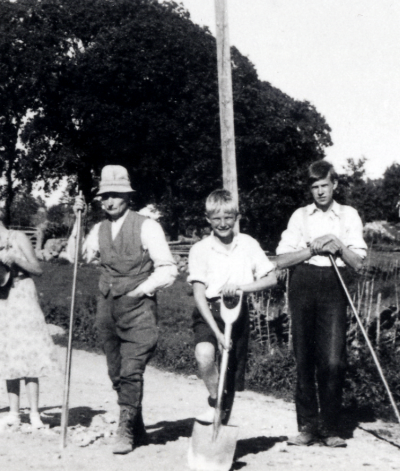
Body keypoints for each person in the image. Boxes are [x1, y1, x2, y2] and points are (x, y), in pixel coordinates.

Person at [73, 165, 178, 454]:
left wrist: (140, 290)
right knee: (116, 371)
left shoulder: (146, 226)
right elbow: (75, 257)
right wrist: (77, 221)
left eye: (115, 195)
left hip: (139, 307)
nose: (109, 201)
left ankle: (126, 429)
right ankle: (138, 425)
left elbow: (168, 269)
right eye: (104, 196)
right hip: (107, 307)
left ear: (127, 196)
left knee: (132, 369)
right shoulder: (98, 229)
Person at [273, 160, 367, 448]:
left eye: (324, 185)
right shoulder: (299, 216)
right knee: (304, 358)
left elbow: (359, 263)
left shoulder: (348, 215)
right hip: (303, 283)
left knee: (333, 359)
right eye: (314, 187)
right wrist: (312, 247)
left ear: (335, 184)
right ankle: (307, 427)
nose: (320, 192)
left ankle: (331, 427)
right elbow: (281, 260)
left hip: (334, 284)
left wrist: (337, 243)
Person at [187, 189, 277, 425]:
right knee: (204, 355)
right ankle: (215, 402)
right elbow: (198, 294)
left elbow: (271, 278)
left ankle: (221, 423)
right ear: (208, 220)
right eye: (216, 218)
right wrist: (216, 333)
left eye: (228, 217)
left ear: (237, 217)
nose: (223, 223)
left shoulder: (247, 244)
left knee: (229, 372)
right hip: (209, 311)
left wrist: (241, 288)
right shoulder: (200, 249)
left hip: (237, 312)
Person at [0, 203, 61, 431]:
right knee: (9, 352)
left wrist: (17, 260)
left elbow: (37, 269)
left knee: (29, 351)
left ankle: (34, 414)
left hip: (23, 294)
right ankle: (13, 412)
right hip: (3, 299)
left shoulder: (18, 237)